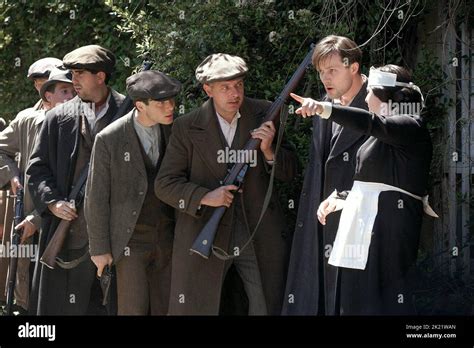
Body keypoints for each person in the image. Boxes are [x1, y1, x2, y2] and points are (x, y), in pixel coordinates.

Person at [155, 53, 297, 315]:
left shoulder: (265, 113)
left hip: (256, 230)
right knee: (198, 306)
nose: (235, 94)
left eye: (238, 85)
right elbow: (165, 184)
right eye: (225, 88)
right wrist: (204, 196)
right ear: (208, 89)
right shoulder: (186, 127)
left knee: (267, 304)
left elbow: (291, 172)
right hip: (205, 226)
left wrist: (268, 151)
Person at [291, 64, 437, 315]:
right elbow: (375, 179)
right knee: (355, 299)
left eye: (371, 92)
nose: (366, 98)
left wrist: (323, 108)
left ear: (386, 96)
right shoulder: (382, 134)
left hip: (389, 230)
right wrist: (342, 198)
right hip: (362, 226)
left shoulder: (411, 126)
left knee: (381, 301)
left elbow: (371, 123)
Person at [27, 45, 126, 315]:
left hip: (118, 237)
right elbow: (37, 169)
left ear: (101, 76)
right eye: (72, 74)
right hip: (70, 235)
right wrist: (53, 203)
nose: (73, 81)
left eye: (80, 74)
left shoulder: (131, 114)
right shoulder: (58, 117)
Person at [283, 35, 369, 315]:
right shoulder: (323, 105)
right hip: (322, 220)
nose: (325, 78)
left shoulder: (379, 103)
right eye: (321, 71)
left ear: (353, 67)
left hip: (363, 223)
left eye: (332, 70)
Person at [85, 70, 181, 315]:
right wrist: (99, 248)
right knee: (132, 309)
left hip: (168, 237)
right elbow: (96, 196)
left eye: (172, 100)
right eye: (161, 103)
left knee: (169, 307)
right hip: (130, 240)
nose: (170, 107)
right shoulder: (109, 139)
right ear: (140, 105)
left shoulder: (175, 130)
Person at [0, 67, 75, 313]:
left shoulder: (86, 123)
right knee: (24, 281)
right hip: (32, 214)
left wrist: (37, 219)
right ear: (47, 97)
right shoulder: (27, 120)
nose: (70, 97)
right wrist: (11, 174)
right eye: (64, 91)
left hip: (66, 220)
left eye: (73, 91)